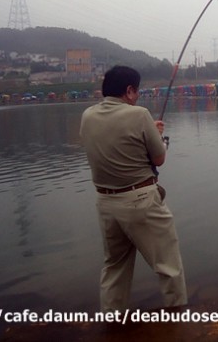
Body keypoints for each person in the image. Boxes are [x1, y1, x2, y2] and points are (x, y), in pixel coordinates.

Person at [80, 65, 187, 312]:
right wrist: (158, 137)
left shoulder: (88, 115)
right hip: (141, 201)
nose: (137, 96)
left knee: (114, 266)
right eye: (136, 91)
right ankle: (177, 320)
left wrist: (149, 133)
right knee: (168, 266)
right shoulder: (139, 115)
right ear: (129, 90)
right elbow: (158, 158)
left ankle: (113, 321)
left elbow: (117, 143)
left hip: (106, 204)